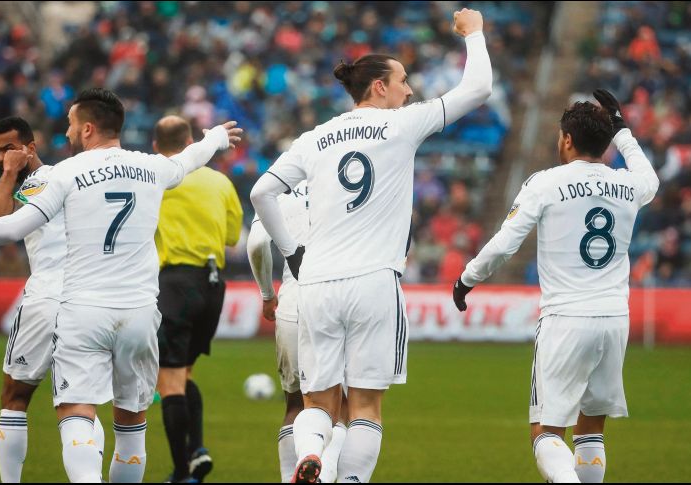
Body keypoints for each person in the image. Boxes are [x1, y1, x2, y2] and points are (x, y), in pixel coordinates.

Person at [250, 8, 492, 483]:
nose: (409, 90)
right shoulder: (404, 124)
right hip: (374, 283)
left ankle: (307, 457)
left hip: (316, 283)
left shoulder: (315, 138)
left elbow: (261, 193)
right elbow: (479, 88)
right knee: (365, 406)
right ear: (378, 86)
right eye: (402, 80)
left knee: (315, 403)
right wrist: (476, 34)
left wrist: (293, 253)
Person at [0, 88, 242, 483]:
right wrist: (214, 137)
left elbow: (11, 225)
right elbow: (190, 159)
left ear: (88, 128)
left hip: (84, 310)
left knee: (76, 411)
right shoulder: (151, 167)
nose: (68, 131)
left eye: (72, 124)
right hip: (141, 314)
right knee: (131, 422)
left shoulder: (65, 173)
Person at [453, 90, 660, 483]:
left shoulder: (545, 183)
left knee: (546, 433)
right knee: (591, 430)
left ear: (566, 139)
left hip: (566, 319)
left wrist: (468, 278)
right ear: (606, 141)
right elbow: (651, 177)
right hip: (615, 320)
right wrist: (622, 129)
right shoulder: (630, 185)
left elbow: (506, 241)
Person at [0, 116, 104, 483]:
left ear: (30, 149)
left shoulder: (37, 182)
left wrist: (9, 175)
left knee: (14, 396)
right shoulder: (73, 179)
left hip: (47, 297)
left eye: (8, 149)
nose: (0, 159)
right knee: (80, 403)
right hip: (89, 298)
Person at [152, 115, 243, 483]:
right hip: (212, 285)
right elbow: (233, 236)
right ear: (192, 140)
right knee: (184, 373)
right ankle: (198, 449)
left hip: (174, 282)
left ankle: (181, 472)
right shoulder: (220, 182)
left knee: (169, 382)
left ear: (156, 147)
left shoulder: (157, 177)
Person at [247, 181, 348, 483]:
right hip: (337, 297)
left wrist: (267, 294)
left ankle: (290, 476)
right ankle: (325, 476)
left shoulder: (276, 189)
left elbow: (255, 244)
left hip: (294, 299)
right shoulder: (342, 183)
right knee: (341, 403)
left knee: (295, 404)